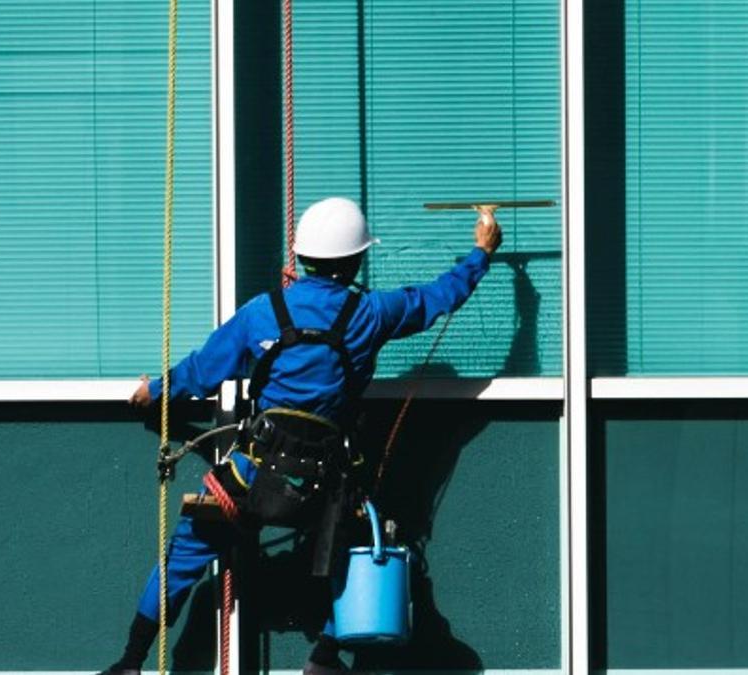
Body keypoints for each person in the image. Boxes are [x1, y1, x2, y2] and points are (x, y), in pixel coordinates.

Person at [100, 196, 502, 675]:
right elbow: (439, 296)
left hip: (253, 472)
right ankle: (326, 657)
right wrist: (482, 252)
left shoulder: (261, 313)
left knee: (185, 555)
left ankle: (131, 661)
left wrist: (155, 391)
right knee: (358, 549)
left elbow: (201, 373)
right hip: (325, 482)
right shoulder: (371, 313)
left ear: (301, 257)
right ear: (356, 259)